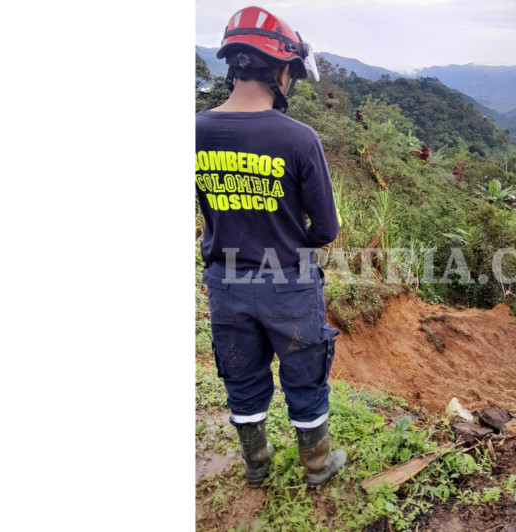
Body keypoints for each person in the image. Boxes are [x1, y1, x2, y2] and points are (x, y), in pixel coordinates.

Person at [195, 5, 346, 488]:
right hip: (287, 282)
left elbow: (207, 206)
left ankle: (256, 467)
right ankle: (318, 466)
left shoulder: (194, 131)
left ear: (234, 65)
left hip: (225, 282)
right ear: (281, 70)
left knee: (241, 375)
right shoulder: (300, 140)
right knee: (304, 376)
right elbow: (325, 229)